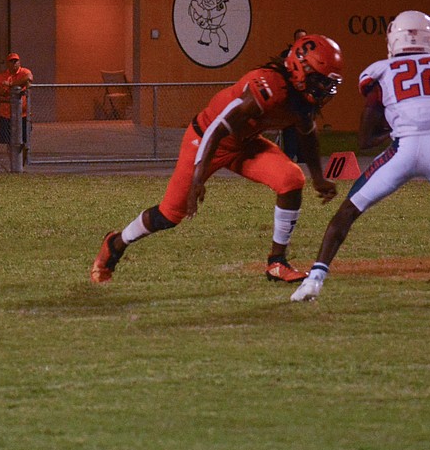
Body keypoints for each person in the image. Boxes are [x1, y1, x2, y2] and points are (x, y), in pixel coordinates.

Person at [90, 34, 345, 284]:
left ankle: (277, 262)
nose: (323, 88)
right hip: (205, 139)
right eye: (319, 80)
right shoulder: (268, 87)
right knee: (169, 215)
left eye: (327, 83)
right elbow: (218, 128)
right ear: (299, 68)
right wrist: (199, 178)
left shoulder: (301, 101)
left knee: (291, 178)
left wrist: (318, 177)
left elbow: (307, 135)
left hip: (245, 143)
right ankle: (115, 243)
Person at [290, 11, 430, 307]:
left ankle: (314, 280)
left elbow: (364, 139)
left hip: (403, 148)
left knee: (347, 213)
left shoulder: (382, 71)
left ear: (393, 37)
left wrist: (399, 127)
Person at [0, 53, 33, 163]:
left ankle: (22, 160)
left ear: (19, 62)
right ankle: (14, 163)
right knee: (9, 141)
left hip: (22, 114)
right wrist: (1, 91)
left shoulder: (24, 72)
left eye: (16, 61)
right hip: (6, 114)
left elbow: (28, 78)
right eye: (11, 61)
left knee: (23, 139)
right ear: (7, 63)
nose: (14, 63)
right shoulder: (1, 77)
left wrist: (10, 84)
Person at [277, 29, 307, 162]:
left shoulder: (311, 55)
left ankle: (302, 155)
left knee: (304, 125)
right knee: (289, 125)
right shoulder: (286, 54)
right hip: (290, 96)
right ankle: (289, 153)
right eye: (299, 38)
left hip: (304, 96)